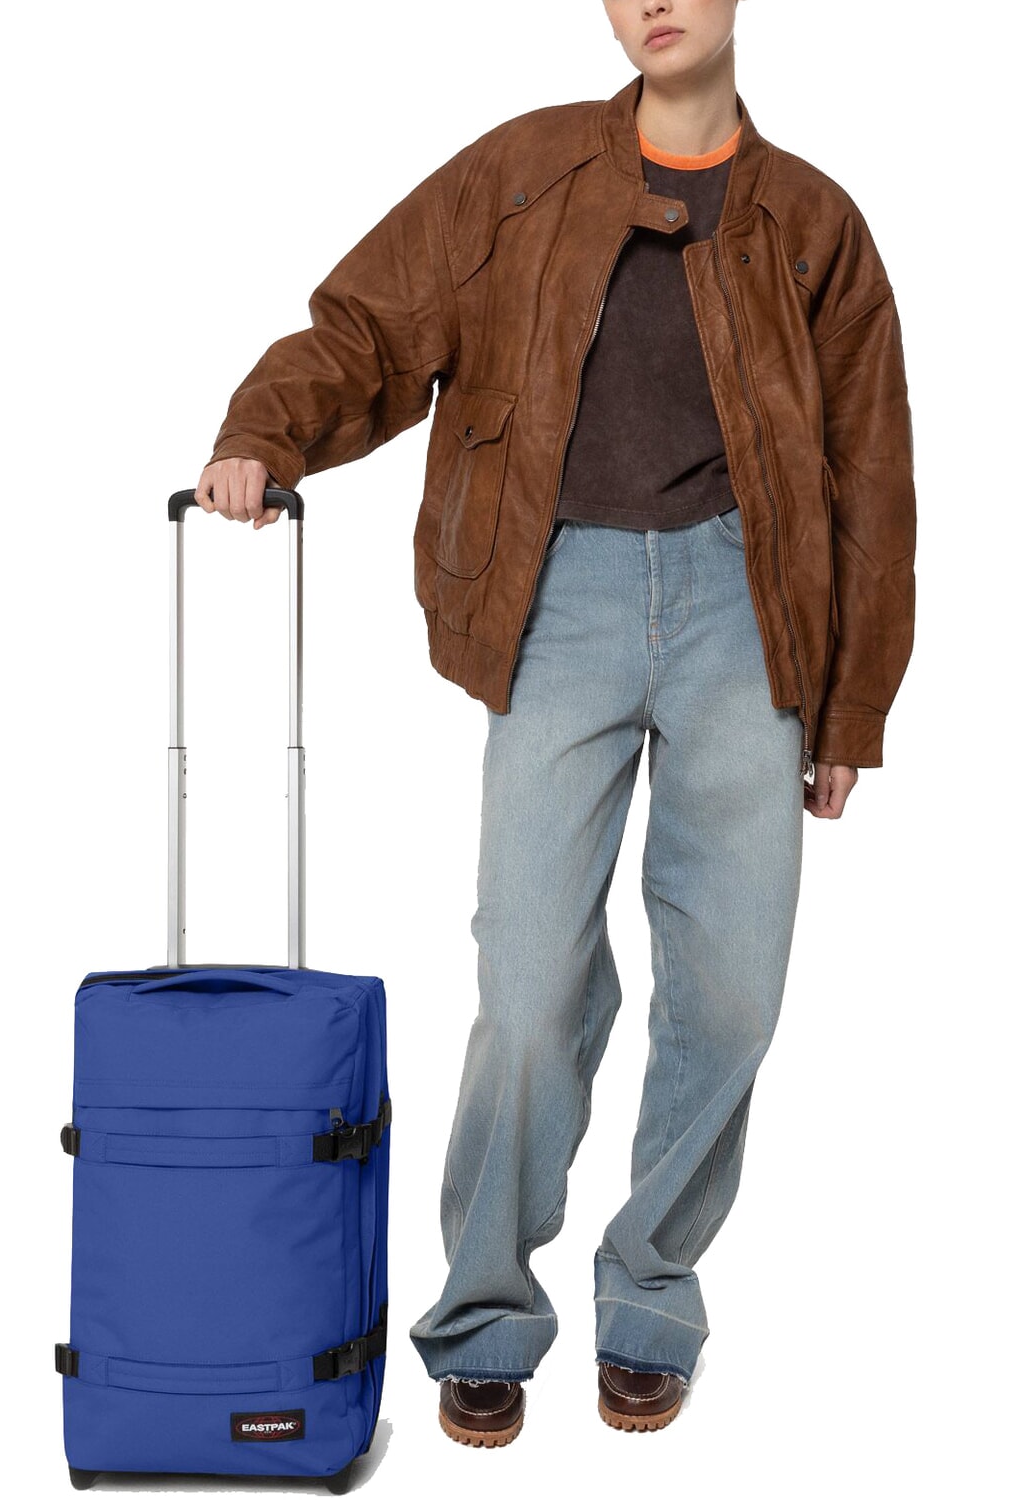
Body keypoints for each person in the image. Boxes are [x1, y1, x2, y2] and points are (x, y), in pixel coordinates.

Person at [194, 0, 916, 1447]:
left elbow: (869, 468)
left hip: (747, 610)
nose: (654, 2)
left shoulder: (812, 221)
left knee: (731, 995)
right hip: (554, 597)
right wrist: (266, 431)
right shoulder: (522, 172)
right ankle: (483, 1317)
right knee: (527, 987)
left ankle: (649, 1299)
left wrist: (854, 699)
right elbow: (372, 324)